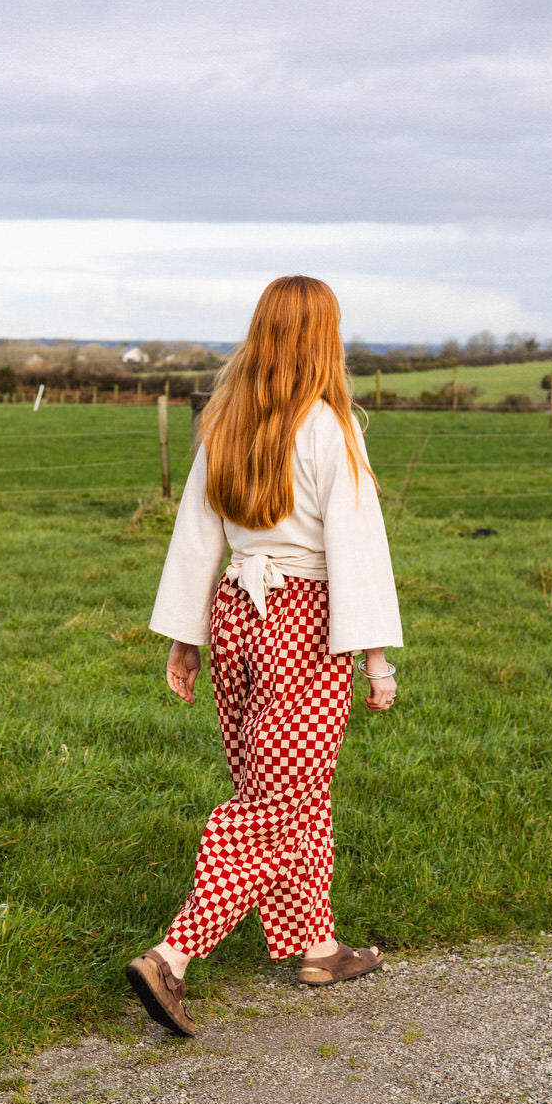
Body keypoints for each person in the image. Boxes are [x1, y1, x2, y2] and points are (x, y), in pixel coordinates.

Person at [126, 276, 403, 1036]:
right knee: (275, 801)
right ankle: (171, 956)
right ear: (324, 343)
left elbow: (197, 538)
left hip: (237, 617)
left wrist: (189, 638)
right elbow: (358, 553)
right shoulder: (327, 428)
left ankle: (317, 946)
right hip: (305, 621)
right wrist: (375, 661)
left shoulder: (227, 423)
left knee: (291, 788)